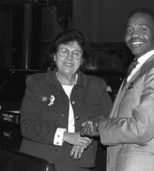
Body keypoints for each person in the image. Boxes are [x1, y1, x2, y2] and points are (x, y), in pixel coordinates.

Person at [81, 8, 154, 171]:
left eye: (143, 29)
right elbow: (126, 114)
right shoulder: (137, 67)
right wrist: (101, 120)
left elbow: (141, 128)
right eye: (129, 30)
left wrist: (100, 127)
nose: (134, 35)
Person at [19, 29, 113, 171]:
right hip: (39, 162)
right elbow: (27, 125)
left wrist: (85, 135)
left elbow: (110, 119)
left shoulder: (96, 85)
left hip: (78, 163)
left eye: (76, 53)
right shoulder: (37, 83)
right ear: (54, 56)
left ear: (82, 60)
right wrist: (66, 136)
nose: (69, 58)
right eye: (64, 51)